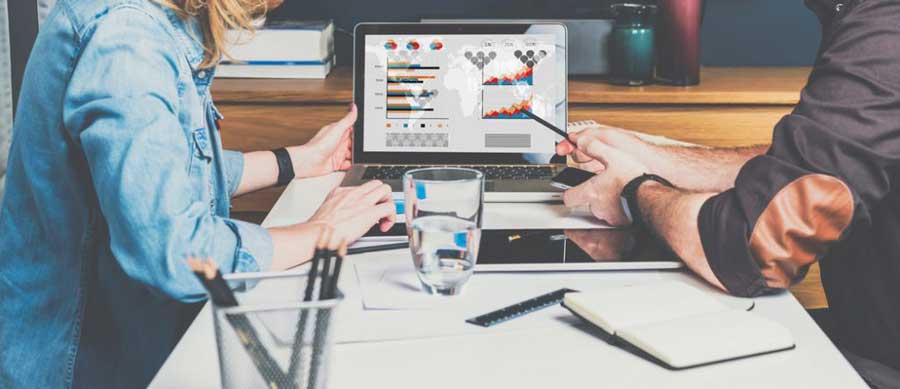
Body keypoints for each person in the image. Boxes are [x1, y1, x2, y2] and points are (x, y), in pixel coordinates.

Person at [0, 0, 395, 387]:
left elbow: (164, 172)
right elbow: (173, 251)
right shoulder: (126, 40)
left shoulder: (147, 20)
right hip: (85, 370)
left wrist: (295, 161)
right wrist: (321, 232)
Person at [556, 0, 900, 385]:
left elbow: (751, 246)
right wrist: (648, 155)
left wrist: (634, 189)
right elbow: (807, 162)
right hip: (865, 336)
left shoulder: (887, 26)